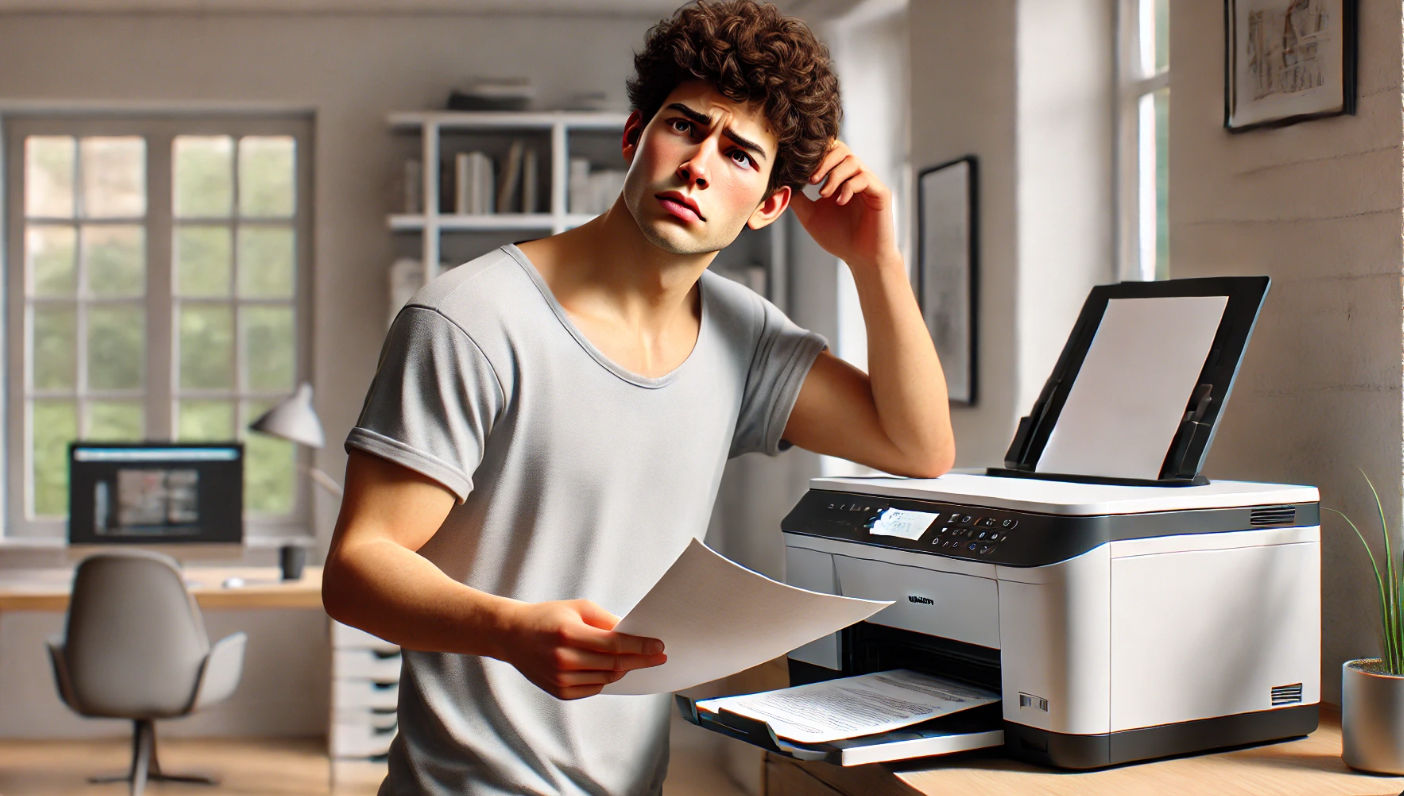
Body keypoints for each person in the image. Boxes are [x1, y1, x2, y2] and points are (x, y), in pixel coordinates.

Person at [322, 1, 955, 794]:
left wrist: (874, 261)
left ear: (770, 205)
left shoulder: (742, 334)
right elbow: (357, 567)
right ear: (634, 137)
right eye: (685, 127)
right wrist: (510, 630)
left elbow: (918, 447)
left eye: (739, 154)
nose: (700, 164)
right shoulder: (470, 318)